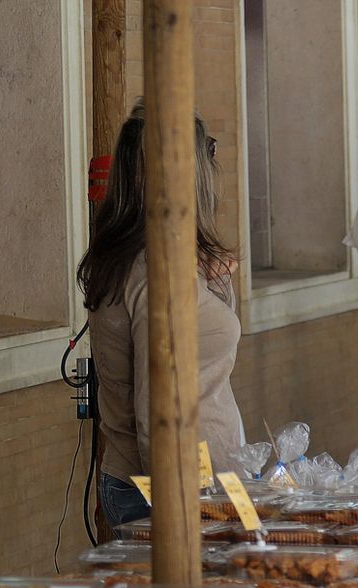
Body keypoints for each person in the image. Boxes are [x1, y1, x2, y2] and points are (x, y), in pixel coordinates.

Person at [79, 103, 244, 529]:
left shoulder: (158, 261)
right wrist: (186, 513)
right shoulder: (159, 273)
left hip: (201, 477)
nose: (213, 167)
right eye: (206, 154)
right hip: (177, 487)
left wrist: (212, 281)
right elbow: (158, 411)